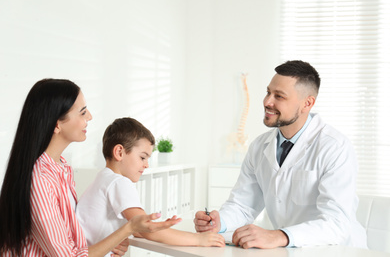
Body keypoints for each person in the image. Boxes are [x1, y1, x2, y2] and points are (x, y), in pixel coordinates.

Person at [193, 60, 368, 249]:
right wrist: (220, 222)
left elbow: (335, 224)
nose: (267, 102)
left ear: (307, 103)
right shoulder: (259, 146)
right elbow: (243, 205)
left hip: (338, 250)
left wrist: (279, 236)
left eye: (279, 96)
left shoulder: (335, 147)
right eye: (268, 92)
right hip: (288, 250)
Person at [0, 79, 180, 257]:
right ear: (57, 124)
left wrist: (112, 242)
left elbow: (73, 241)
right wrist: (128, 229)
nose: (90, 117)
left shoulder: (61, 168)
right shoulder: (40, 179)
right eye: (82, 112)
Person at [76, 117, 225, 255]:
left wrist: (161, 227)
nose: (146, 165)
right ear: (119, 152)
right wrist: (198, 240)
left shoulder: (103, 178)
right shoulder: (119, 182)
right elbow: (147, 229)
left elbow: (138, 230)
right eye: (142, 157)